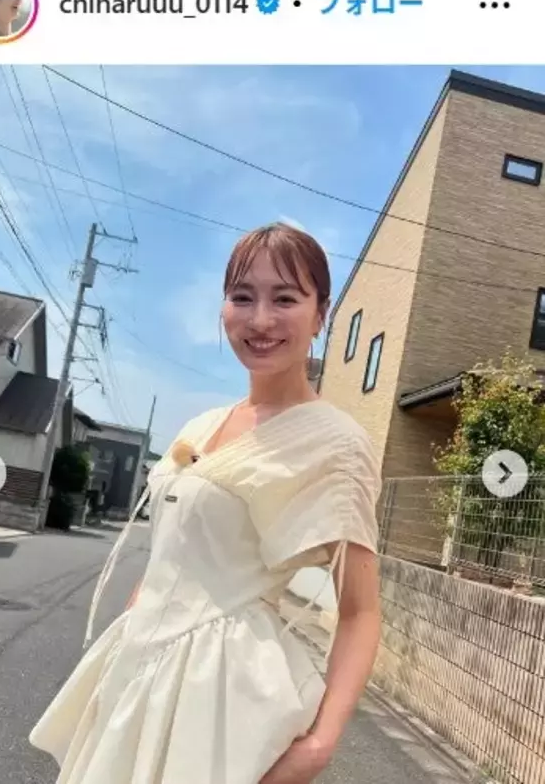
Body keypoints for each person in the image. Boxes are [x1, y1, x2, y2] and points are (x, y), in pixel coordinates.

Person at [29, 222, 383, 783]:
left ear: (321, 314)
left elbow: (361, 612)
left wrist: (319, 744)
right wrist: (133, 627)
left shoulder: (335, 443)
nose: (260, 319)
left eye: (285, 298)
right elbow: (172, 553)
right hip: (138, 669)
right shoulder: (200, 425)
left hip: (221, 694)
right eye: (242, 297)